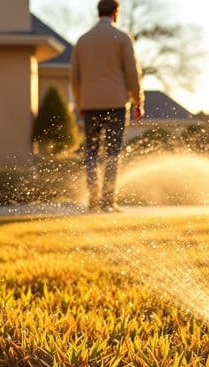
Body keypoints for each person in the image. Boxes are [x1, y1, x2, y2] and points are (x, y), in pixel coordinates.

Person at [70, 0, 144, 212]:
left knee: (92, 152)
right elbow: (132, 73)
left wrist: (80, 102)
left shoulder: (82, 41)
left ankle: (93, 201)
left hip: (91, 105)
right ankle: (108, 201)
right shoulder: (122, 38)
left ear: (98, 12)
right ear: (116, 12)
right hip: (116, 104)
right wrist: (138, 101)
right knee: (113, 152)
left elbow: (74, 77)